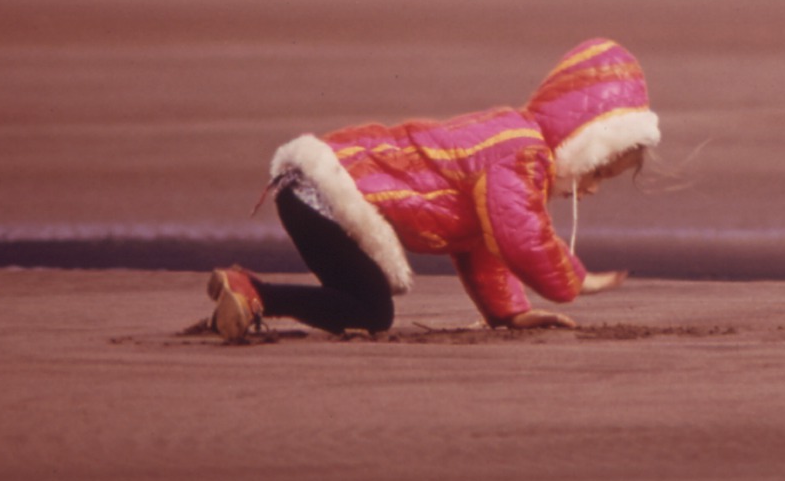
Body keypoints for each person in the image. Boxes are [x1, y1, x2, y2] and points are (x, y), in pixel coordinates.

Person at [203, 38, 660, 341]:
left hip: (307, 186)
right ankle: (253, 292)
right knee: (371, 311)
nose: (593, 189)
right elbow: (520, 239)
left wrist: (508, 313)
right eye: (598, 173)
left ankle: (237, 297)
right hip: (323, 192)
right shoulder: (523, 152)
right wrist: (576, 280)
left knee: (360, 298)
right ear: (581, 145)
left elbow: (485, 244)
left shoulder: (513, 145)